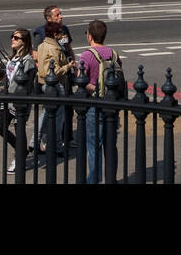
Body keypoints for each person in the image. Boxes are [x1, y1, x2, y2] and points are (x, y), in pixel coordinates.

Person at [75, 19, 121, 184]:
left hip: (95, 106)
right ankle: (111, 179)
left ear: (89, 36)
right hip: (112, 104)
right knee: (111, 145)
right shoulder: (113, 53)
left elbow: (81, 81)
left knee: (94, 146)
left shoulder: (87, 55)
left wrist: (94, 88)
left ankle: (94, 180)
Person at [0, 28, 37, 173]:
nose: (12, 39)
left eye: (16, 38)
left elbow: (28, 85)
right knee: (0, 128)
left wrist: (22, 101)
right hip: (7, 99)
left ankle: (19, 159)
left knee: (19, 129)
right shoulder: (12, 58)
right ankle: (22, 151)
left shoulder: (28, 62)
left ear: (24, 42)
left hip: (19, 101)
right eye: (12, 36)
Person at [34, 18, 73, 156]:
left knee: (46, 114)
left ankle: (35, 141)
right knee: (58, 118)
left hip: (43, 84)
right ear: (55, 34)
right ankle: (55, 145)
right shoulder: (54, 48)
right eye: (60, 33)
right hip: (55, 85)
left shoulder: (42, 45)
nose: (62, 35)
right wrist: (68, 66)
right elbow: (55, 71)